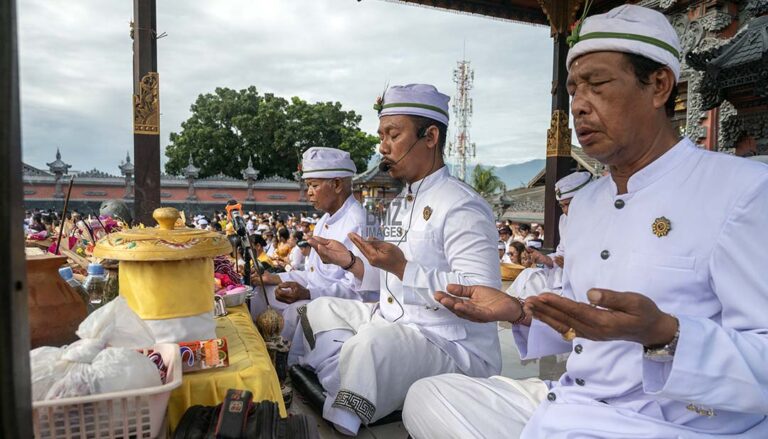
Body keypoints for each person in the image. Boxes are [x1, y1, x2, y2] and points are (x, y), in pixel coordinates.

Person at [402, 5, 768, 438]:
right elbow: (580, 327)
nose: (579, 106)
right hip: (574, 402)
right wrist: (520, 313)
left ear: (658, 85)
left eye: (597, 85)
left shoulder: (744, 189)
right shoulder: (589, 203)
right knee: (429, 395)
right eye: (574, 90)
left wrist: (665, 335)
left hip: (668, 423)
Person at [301, 84, 502, 435]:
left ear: (430, 136)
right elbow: (388, 283)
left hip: (448, 341)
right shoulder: (398, 205)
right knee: (320, 309)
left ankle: (344, 419)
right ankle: (352, 387)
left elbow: (481, 295)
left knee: (371, 344)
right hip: (396, 319)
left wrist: (401, 267)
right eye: (382, 135)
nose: (383, 146)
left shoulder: (462, 206)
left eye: (393, 135)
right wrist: (348, 261)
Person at [251, 147, 377, 347]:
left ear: (336, 184)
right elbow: (314, 275)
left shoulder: (358, 222)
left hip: (341, 304)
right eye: (308, 185)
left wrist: (308, 294)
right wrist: (276, 278)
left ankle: (290, 369)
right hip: (316, 294)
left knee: (296, 311)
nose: (308, 192)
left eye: (313, 185)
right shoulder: (325, 219)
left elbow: (360, 291)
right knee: (261, 293)